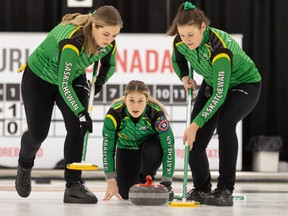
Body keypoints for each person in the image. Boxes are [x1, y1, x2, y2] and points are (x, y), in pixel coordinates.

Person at [15, 5, 123, 204]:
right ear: (93, 27)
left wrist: (99, 82)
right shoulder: (74, 41)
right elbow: (63, 84)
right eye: (106, 34)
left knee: (77, 127)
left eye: (114, 35)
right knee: (38, 134)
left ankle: (73, 185)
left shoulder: (108, 44)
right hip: (40, 78)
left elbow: (109, 64)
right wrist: (81, 112)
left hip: (73, 76)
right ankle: (24, 164)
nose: (109, 40)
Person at [166, 2, 262, 206]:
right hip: (212, 84)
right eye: (182, 35)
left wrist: (195, 124)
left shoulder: (219, 49)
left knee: (226, 124)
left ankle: (225, 188)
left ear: (203, 27)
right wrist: (184, 77)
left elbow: (220, 95)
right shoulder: (180, 42)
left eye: (191, 35)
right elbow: (178, 61)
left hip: (244, 85)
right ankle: (202, 188)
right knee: (195, 141)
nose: (186, 40)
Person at [101, 80, 175, 201]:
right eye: (131, 100)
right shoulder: (114, 115)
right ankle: (138, 181)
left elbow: (169, 147)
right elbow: (107, 149)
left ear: (147, 101)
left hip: (149, 150)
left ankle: (146, 179)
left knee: (153, 148)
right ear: (125, 100)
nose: (136, 106)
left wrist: (167, 183)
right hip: (126, 149)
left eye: (140, 101)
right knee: (126, 195)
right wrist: (110, 180)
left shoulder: (155, 114)